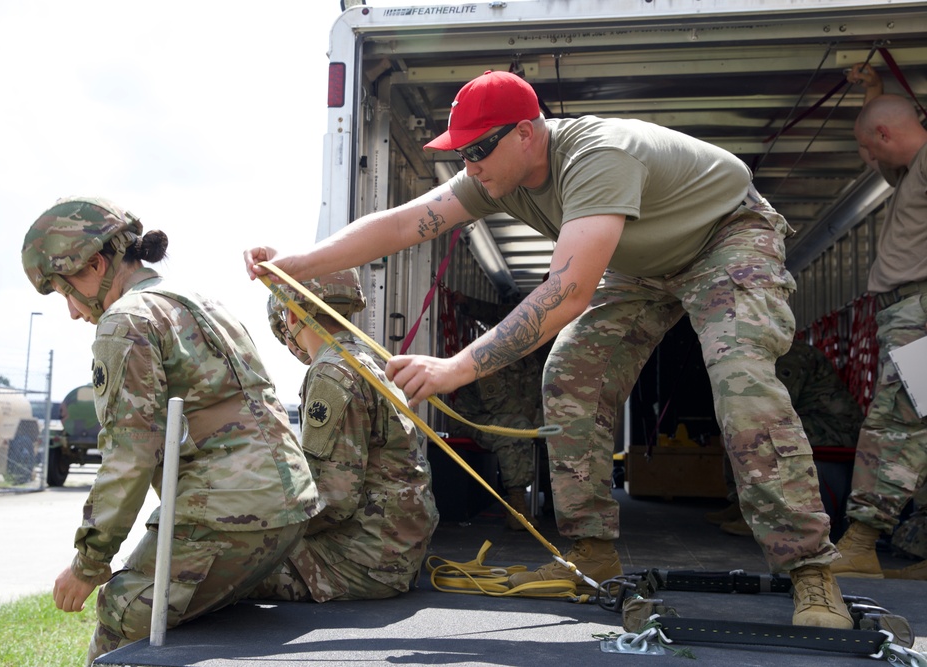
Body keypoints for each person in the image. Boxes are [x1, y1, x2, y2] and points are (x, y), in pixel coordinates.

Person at [245, 70, 852, 628]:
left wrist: (456, 367)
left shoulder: (597, 156)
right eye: (462, 152)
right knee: (569, 375)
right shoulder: (495, 176)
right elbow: (402, 224)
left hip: (724, 238)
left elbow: (566, 293)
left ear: (528, 134)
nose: (470, 163)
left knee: (742, 378)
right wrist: (297, 262)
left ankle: (810, 570)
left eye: (479, 148)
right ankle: (591, 552)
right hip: (644, 264)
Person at [22, 196, 321, 665]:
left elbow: (129, 455)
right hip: (289, 508)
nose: (74, 313)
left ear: (96, 265)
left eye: (66, 292)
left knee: (124, 613)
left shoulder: (126, 321)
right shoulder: (198, 301)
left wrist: (89, 565)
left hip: (229, 513)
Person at [252, 269, 439, 601]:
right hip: (392, 552)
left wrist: (255, 522)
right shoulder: (373, 359)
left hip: (357, 563)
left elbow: (332, 501)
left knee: (216, 570)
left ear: (292, 315)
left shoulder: (331, 371)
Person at [828, 68, 927, 582]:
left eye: (869, 149)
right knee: (918, 427)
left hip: (921, 313)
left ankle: (862, 542)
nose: (869, 161)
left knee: (896, 420)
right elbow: (887, 132)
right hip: (907, 311)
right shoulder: (911, 170)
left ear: (886, 137)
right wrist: (871, 93)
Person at [707, 337, 864, 536]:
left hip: (834, 429)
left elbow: (777, 405)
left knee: (753, 432)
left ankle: (761, 514)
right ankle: (741, 503)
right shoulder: (768, 353)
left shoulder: (789, 355)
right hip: (813, 423)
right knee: (738, 427)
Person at [449, 291, 548, 530]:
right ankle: (516, 505)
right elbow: (498, 404)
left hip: (506, 415)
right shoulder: (490, 355)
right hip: (474, 420)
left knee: (557, 427)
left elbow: (534, 397)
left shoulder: (528, 357)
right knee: (516, 428)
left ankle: (556, 499)